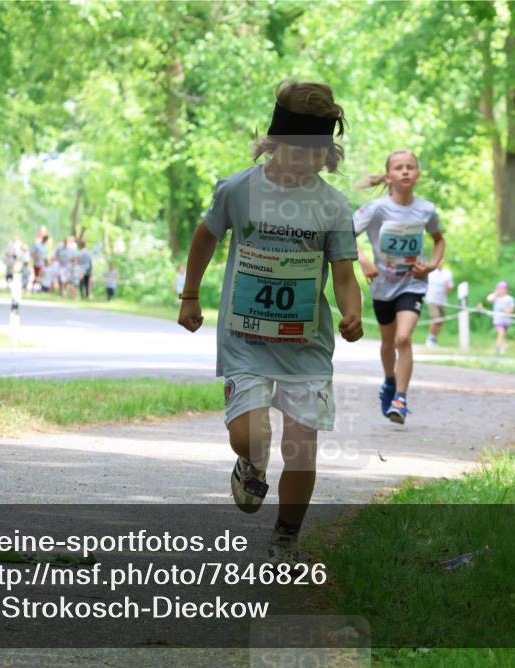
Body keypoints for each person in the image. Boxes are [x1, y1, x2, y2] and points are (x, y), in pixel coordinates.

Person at [177, 79, 363, 564]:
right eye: (295, 152)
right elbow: (205, 238)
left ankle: (286, 536)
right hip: (246, 340)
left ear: (328, 154)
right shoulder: (239, 189)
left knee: (302, 451)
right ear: (272, 144)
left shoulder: (333, 206)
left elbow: (343, 272)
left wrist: (352, 311)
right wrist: (190, 294)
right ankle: (252, 461)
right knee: (250, 435)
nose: (304, 162)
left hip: (306, 346)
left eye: (316, 154)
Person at [354, 149, 445, 424]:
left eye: (410, 167)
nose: (405, 171)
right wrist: (365, 262)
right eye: (398, 168)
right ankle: (389, 381)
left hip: (412, 283)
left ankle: (400, 399)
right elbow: (346, 235)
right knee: (387, 342)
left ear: (417, 174)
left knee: (402, 338)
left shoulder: (426, 209)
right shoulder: (377, 209)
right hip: (382, 285)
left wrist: (430, 266)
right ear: (389, 176)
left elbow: (439, 240)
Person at [424, 262, 454, 347]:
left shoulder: (447, 273)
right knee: (436, 319)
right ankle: (430, 339)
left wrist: (447, 286)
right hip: (432, 300)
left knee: (440, 321)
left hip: (442, 301)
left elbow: (449, 289)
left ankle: (434, 339)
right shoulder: (430, 273)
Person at [486, 281, 515, 355]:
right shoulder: (496, 298)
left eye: (503, 288)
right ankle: (498, 346)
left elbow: (512, 308)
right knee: (501, 332)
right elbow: (489, 299)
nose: (502, 290)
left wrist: (506, 311)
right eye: (500, 289)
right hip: (498, 320)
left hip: (506, 320)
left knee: (503, 334)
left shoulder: (509, 298)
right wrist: (496, 293)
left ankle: (503, 347)